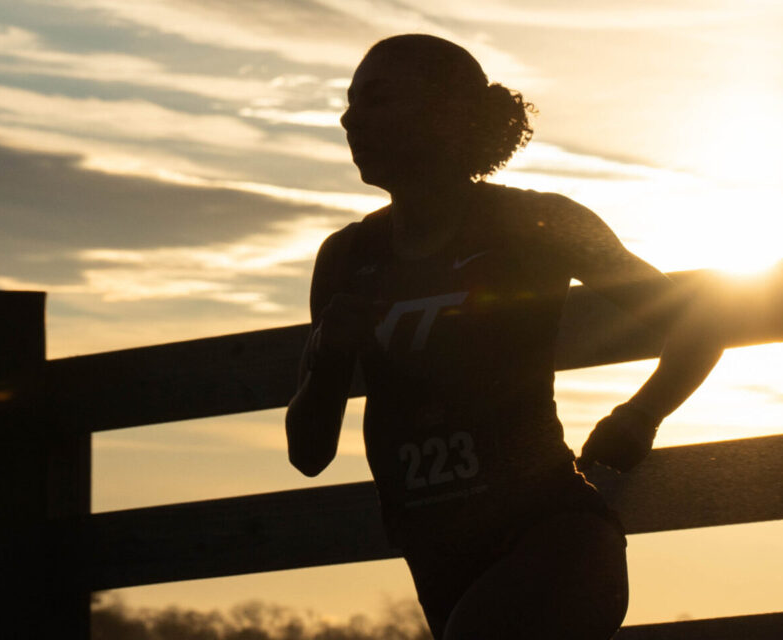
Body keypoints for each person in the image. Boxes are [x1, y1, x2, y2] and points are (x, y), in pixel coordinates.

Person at [285, 34, 722, 640]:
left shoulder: (541, 222)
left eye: (377, 99)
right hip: (438, 560)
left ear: (446, 113)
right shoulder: (346, 257)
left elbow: (700, 321)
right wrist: (329, 360)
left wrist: (638, 417)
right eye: (350, 101)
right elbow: (309, 454)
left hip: (557, 542)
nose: (349, 117)